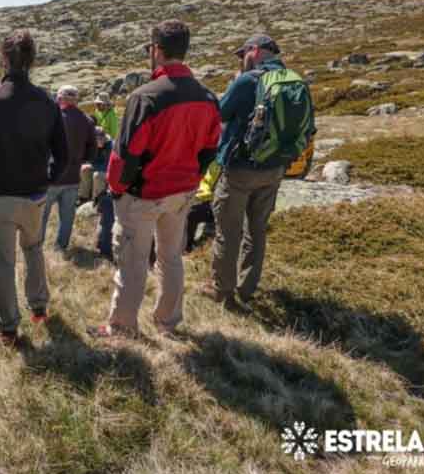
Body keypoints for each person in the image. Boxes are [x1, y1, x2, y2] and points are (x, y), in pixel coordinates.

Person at [89, 20, 221, 339]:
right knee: (171, 258)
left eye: (151, 49)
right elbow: (210, 148)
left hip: (143, 195)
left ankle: (122, 327)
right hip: (183, 193)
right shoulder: (208, 97)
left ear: (158, 51)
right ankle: (168, 321)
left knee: (133, 263)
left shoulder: (145, 97)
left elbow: (125, 155)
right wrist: (192, 179)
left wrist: (117, 189)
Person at [0, 29, 69, 345]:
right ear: (32, 60)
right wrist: (47, 181)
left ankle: (10, 327)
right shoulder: (47, 102)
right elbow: (63, 153)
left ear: (4, 58)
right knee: (34, 248)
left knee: (3, 262)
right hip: (36, 195)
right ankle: (39, 308)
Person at [203, 35, 315, 310]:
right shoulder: (295, 80)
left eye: (243, 54)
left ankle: (223, 291)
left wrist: (233, 84)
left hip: (241, 168)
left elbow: (220, 114)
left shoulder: (248, 80)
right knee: (256, 230)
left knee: (228, 231)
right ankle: (246, 287)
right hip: (276, 168)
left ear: (254, 51)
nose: (242, 60)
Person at [41, 85, 96, 250]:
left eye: (57, 97)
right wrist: (79, 160)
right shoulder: (86, 120)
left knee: (42, 216)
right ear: (75, 100)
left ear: (61, 98)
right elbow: (92, 150)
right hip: (72, 176)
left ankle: (38, 247)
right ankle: (61, 246)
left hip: (51, 176)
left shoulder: (52, 118)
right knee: (67, 217)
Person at [186, 161, 220, 252]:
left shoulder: (224, 163)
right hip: (204, 197)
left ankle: (188, 245)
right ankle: (187, 245)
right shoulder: (214, 161)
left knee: (192, 213)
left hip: (216, 202)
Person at [79, 126, 112, 203]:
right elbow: (91, 159)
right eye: (96, 140)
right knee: (84, 169)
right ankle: (84, 197)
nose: (99, 141)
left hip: (109, 172)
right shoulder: (93, 145)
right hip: (98, 167)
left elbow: (109, 165)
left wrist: (94, 166)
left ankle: (96, 200)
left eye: (100, 139)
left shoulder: (111, 146)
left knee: (97, 175)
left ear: (104, 137)